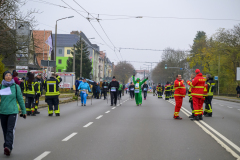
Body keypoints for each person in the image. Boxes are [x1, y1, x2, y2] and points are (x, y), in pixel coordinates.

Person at [0, 71, 26, 156]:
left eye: (9, 75)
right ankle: (7, 145)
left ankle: (8, 147)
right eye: (6, 75)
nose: (8, 77)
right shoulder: (1, 86)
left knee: (10, 130)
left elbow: (20, 99)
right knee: (5, 130)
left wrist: (24, 111)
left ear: (11, 77)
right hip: (2, 111)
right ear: (4, 77)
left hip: (13, 111)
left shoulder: (16, 87)